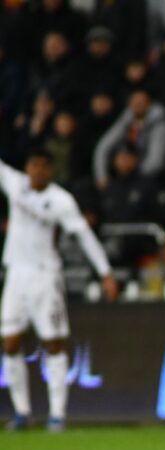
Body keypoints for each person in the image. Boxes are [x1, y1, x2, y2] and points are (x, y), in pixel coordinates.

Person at [1, 148, 118, 431]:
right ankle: (22, 412)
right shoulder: (15, 184)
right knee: (10, 343)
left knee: (53, 343)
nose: (38, 171)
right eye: (34, 165)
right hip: (15, 274)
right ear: (27, 167)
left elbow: (84, 235)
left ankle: (57, 414)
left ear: (51, 170)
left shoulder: (61, 201)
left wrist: (105, 272)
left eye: (44, 166)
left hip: (46, 276)